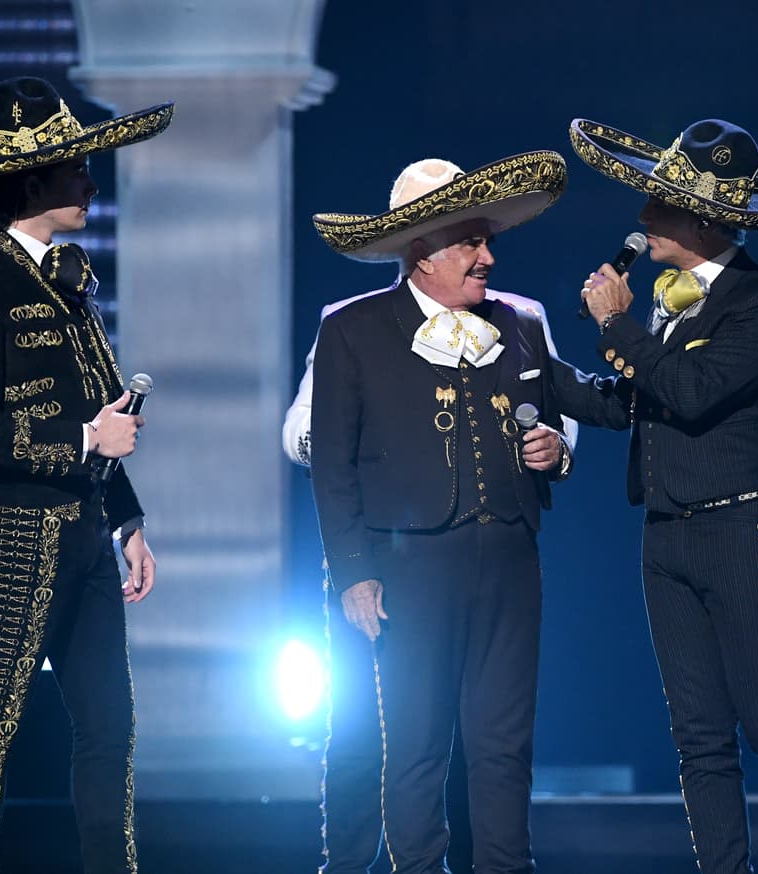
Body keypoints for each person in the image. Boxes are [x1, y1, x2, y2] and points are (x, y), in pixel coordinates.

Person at [556, 116, 758, 873]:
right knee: (698, 736)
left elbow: (690, 392)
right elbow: (631, 402)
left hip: (739, 532)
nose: (643, 216)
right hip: (667, 537)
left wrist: (617, 325)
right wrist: (525, 356)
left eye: (660, 206)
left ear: (705, 222)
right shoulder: (671, 301)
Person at [0, 76, 173, 874]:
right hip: (20, 527)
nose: (90, 183)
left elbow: (105, 411)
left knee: (110, 726)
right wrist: (86, 437)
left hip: (89, 531)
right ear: (30, 182)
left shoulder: (71, 282)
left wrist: (128, 520)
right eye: (75, 170)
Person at [284, 157, 576, 874]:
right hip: (402, 563)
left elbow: (563, 413)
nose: (488, 256)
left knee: (502, 743)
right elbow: (319, 453)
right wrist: (355, 568)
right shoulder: (352, 327)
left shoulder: (521, 319)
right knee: (403, 742)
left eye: (487, 239)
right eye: (470, 241)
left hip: (506, 556)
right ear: (421, 253)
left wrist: (557, 448)